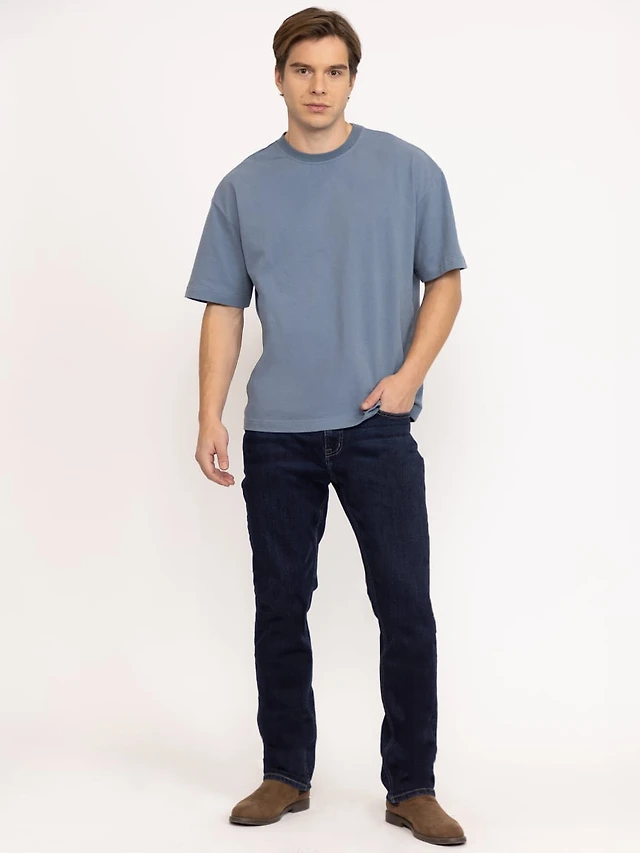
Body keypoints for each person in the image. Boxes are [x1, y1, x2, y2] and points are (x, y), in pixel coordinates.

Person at [185, 6, 468, 846]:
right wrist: (209, 412)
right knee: (280, 606)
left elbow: (446, 280)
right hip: (278, 434)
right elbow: (223, 307)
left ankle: (412, 786)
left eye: (334, 70)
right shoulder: (242, 187)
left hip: (377, 427)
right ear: (279, 78)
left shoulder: (408, 170)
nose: (318, 86)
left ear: (352, 78)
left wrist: (407, 379)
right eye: (303, 70)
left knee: (405, 607)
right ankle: (285, 773)